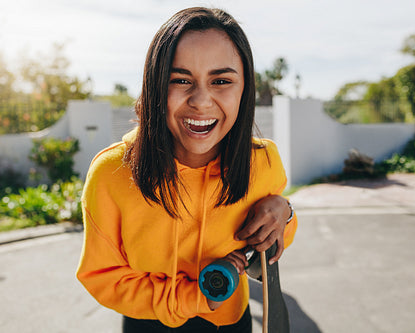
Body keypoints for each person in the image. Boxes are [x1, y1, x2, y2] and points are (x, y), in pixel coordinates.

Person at [76, 7, 297, 333]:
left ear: (244, 89)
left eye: (221, 81)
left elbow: (272, 244)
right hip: (147, 324)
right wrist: (194, 298)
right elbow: (102, 276)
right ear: (154, 87)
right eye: (180, 80)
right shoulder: (111, 173)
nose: (202, 101)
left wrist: (285, 213)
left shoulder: (263, 162)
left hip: (232, 324)